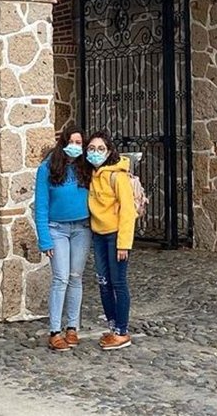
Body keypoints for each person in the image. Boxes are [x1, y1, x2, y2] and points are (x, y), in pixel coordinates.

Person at [34, 129, 92, 352]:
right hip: (56, 229)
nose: (76, 146)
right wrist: (44, 239)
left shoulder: (85, 167)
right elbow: (41, 206)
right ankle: (55, 331)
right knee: (61, 278)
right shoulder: (47, 169)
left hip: (82, 229)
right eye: (72, 141)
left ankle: (72, 327)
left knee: (76, 277)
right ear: (63, 142)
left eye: (80, 142)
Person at [79, 131, 137, 351]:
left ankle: (122, 331)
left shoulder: (117, 176)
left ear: (109, 151)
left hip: (115, 236)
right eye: (91, 149)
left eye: (100, 148)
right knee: (104, 283)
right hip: (99, 235)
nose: (95, 153)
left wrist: (124, 243)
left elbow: (127, 211)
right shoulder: (91, 175)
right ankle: (113, 327)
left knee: (118, 282)